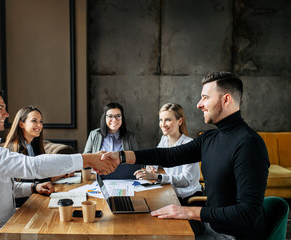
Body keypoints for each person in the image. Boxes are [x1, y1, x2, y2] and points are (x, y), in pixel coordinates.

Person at [102, 72, 269, 240]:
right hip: (209, 227)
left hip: (231, 236)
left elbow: (247, 214)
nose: (199, 104)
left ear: (226, 99)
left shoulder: (249, 144)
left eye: (205, 97)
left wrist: (187, 211)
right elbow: (168, 155)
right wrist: (121, 156)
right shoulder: (209, 138)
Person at [0, 87, 116, 240]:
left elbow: (4, 187)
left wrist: (32, 188)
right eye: (0, 109)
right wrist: (86, 159)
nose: (7, 114)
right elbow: (32, 166)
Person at [3, 106, 74, 207]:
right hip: (22, 204)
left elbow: (42, 171)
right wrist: (61, 173)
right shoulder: (14, 150)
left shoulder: (33, 145)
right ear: (21, 124)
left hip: (34, 198)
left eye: (41, 121)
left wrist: (62, 171)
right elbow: (32, 181)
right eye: (34, 121)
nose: (39, 125)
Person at [134, 103, 203, 206]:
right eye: (161, 120)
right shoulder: (164, 139)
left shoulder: (189, 144)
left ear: (180, 121)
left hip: (188, 198)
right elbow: (157, 158)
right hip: (172, 193)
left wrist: (156, 176)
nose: (163, 124)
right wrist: (151, 167)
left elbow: (186, 180)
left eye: (168, 120)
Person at [84, 102, 141, 179]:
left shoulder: (130, 137)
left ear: (122, 118)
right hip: (98, 178)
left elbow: (138, 160)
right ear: (105, 118)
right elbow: (85, 157)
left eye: (118, 116)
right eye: (110, 116)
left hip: (124, 178)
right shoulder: (94, 134)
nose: (114, 120)